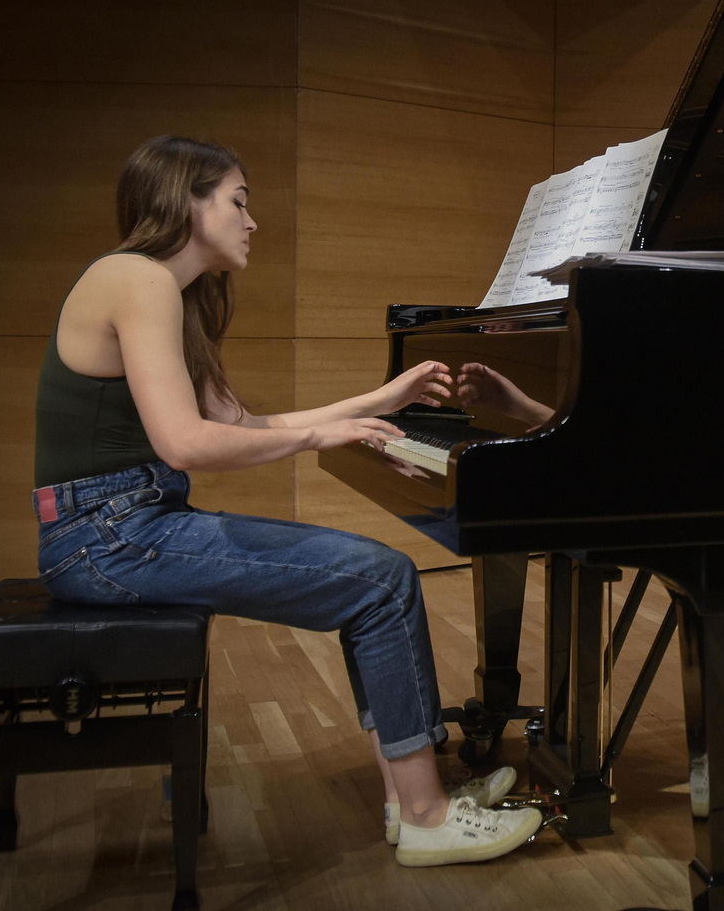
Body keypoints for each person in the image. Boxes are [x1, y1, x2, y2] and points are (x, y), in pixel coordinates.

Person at [32, 134, 543, 867]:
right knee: (381, 579)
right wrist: (322, 439)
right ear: (186, 201)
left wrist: (382, 402)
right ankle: (429, 815)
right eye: (237, 201)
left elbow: (239, 427)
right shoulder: (136, 279)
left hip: (119, 526)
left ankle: (411, 798)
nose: (252, 221)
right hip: (106, 536)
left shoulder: (166, 294)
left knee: (376, 580)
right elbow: (186, 445)